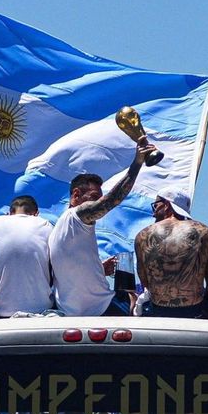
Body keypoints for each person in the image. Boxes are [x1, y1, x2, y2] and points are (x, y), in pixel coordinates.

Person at [48, 135, 157, 316]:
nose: (97, 202)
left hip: (70, 312)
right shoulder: (77, 215)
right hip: (102, 308)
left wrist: (99, 268)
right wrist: (137, 163)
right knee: (138, 299)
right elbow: (112, 200)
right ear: (76, 194)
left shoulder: (60, 228)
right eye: (93, 198)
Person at [134, 186, 208, 318]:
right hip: (195, 311)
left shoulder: (143, 236)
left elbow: (145, 281)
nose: (153, 212)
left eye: (155, 206)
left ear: (167, 205)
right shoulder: (206, 233)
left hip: (158, 311)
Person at [0, 195, 54, 317]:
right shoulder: (46, 226)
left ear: (9, 213)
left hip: (0, 310)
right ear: (36, 213)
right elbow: (51, 279)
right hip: (42, 308)